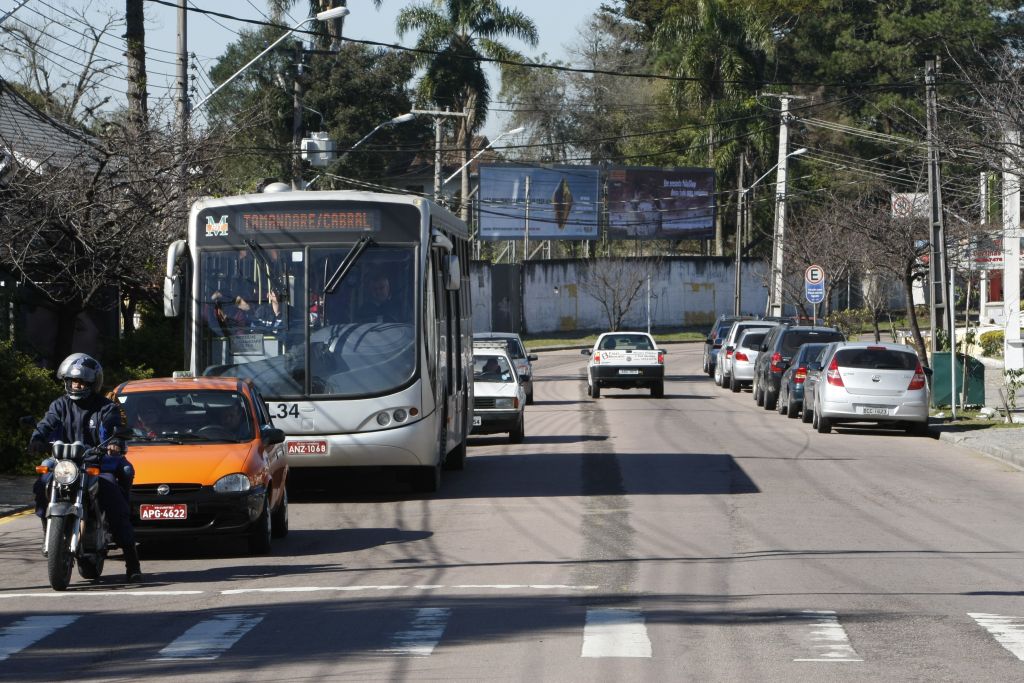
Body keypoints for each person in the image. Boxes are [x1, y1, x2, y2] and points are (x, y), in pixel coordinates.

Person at [29, 354, 142, 583]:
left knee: (113, 497)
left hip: (95, 462)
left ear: (92, 384)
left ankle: (132, 561)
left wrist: (114, 441)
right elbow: (46, 424)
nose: (76, 385)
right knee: (42, 482)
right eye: (72, 381)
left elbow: (113, 425)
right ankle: (49, 530)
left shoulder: (106, 407)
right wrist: (36, 439)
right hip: (63, 463)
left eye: (81, 382)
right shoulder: (59, 405)